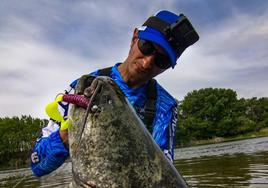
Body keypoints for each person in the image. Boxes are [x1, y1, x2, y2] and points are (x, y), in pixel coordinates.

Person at [30, 10, 199, 177]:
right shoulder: (84, 87)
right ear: (134, 37)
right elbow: (37, 165)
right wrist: (64, 137)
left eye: (162, 60)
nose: (147, 63)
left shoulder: (166, 106)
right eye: (147, 47)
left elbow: (162, 174)